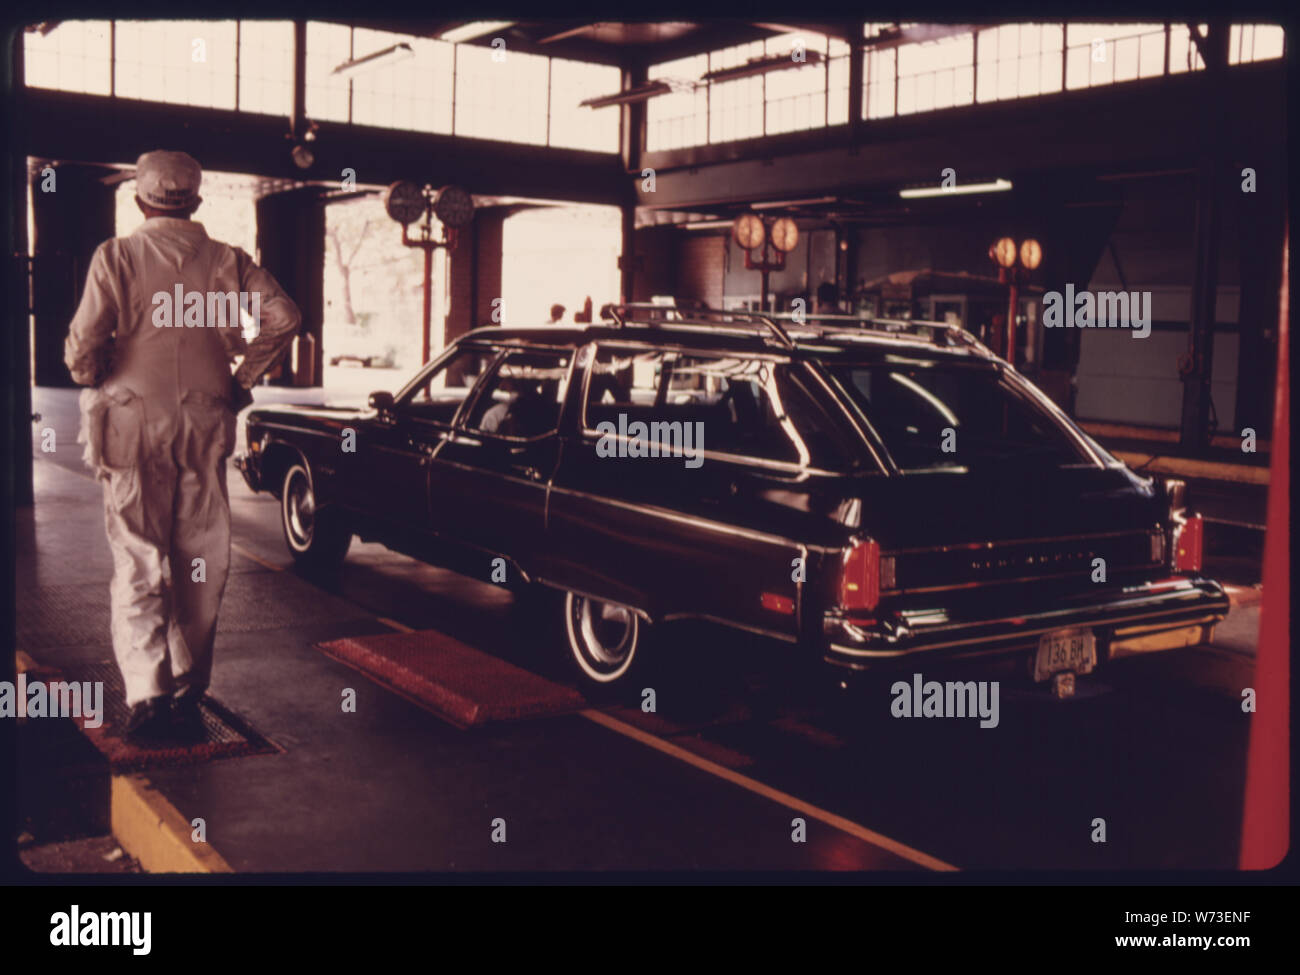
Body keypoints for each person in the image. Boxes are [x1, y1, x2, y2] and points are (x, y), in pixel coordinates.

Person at [64, 150, 301, 743]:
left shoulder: (115, 256)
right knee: (200, 554)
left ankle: (148, 694)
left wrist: (95, 371)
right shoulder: (227, 261)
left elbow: (82, 351)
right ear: (196, 201)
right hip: (204, 418)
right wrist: (241, 380)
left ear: (139, 200)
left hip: (129, 422)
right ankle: (189, 687)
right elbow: (284, 317)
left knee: (139, 554)